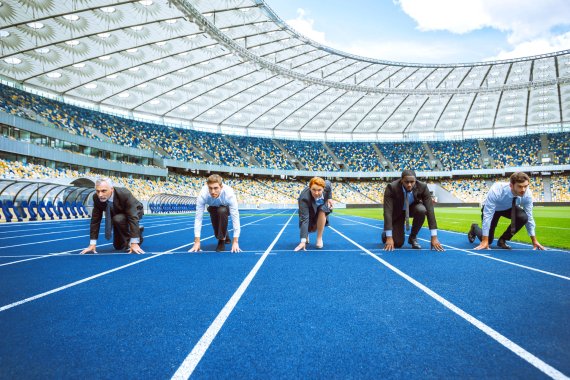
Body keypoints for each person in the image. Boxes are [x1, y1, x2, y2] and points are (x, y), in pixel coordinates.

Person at [468, 172, 545, 250]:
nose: (523, 190)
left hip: (508, 208)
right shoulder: (497, 189)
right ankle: (474, 227)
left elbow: (529, 217)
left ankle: (502, 240)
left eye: (526, 186)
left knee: (524, 217)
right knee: (489, 240)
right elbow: (487, 215)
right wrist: (485, 240)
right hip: (493, 209)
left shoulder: (527, 194)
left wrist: (534, 240)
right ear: (511, 185)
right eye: (520, 186)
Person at [382, 170, 444, 251]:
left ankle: (413, 237)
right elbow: (388, 212)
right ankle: (385, 234)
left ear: (416, 180)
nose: (409, 185)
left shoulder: (422, 187)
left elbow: (430, 210)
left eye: (412, 182)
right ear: (401, 181)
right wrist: (389, 237)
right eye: (406, 182)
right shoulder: (391, 187)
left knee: (422, 210)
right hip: (397, 212)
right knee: (398, 243)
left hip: (412, 209)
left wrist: (434, 237)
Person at [81, 178, 145, 254]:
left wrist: (134, 243)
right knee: (118, 246)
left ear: (112, 189)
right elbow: (95, 220)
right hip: (117, 213)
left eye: (104, 191)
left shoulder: (124, 193)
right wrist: (92, 244)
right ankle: (136, 232)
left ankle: (135, 239)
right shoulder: (96, 198)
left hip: (135, 210)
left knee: (118, 219)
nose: (100, 195)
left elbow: (132, 217)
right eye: (98, 191)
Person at [188, 174, 242, 253]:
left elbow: (235, 217)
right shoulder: (203, 194)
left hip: (226, 208)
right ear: (207, 186)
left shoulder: (229, 194)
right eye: (210, 188)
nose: (213, 191)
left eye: (216, 188)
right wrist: (197, 242)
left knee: (221, 211)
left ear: (221, 187)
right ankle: (225, 233)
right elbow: (198, 218)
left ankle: (221, 241)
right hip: (212, 208)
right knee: (215, 220)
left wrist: (235, 242)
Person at [294, 177, 333, 251]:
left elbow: (328, 182)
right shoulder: (304, 198)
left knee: (323, 210)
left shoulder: (326, 186)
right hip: (309, 207)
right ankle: (306, 235)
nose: (316, 193)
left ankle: (319, 238)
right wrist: (303, 241)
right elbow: (304, 219)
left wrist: (330, 198)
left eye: (319, 190)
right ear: (310, 188)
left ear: (323, 188)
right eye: (313, 190)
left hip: (321, 206)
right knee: (309, 224)